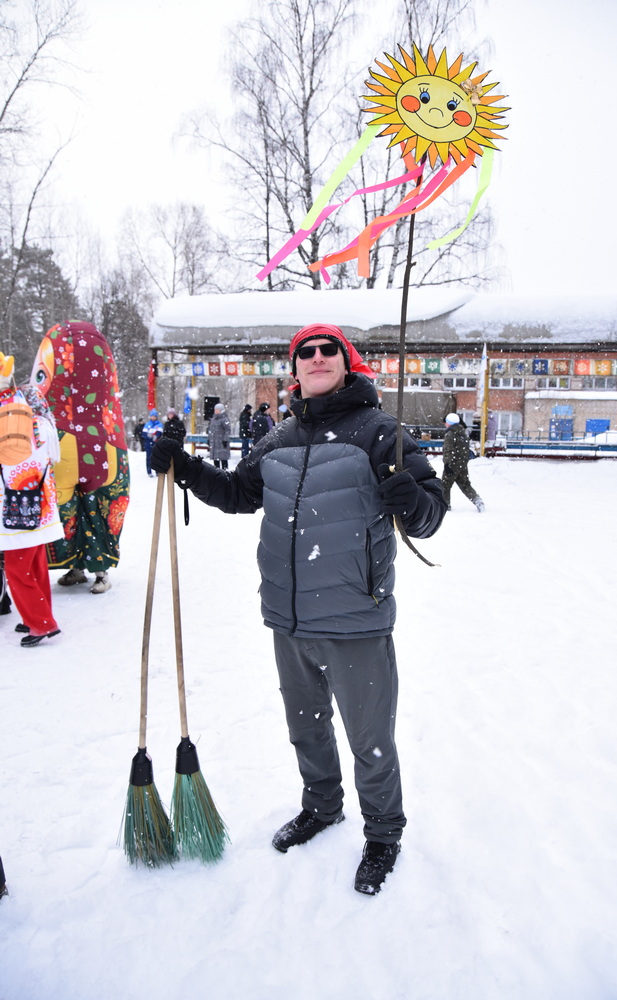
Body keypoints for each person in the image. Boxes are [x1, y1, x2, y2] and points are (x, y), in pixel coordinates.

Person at [150, 323, 446, 895]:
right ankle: (322, 806)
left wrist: (413, 500)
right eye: (304, 352)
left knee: (370, 740)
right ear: (295, 369)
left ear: (346, 361)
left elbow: (430, 513)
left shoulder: (380, 432)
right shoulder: (279, 437)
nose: (316, 357)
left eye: (327, 349)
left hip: (355, 618)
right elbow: (238, 493)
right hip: (287, 618)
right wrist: (183, 467)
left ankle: (383, 835)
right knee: (306, 728)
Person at [30, 322, 131, 595]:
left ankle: (91, 568)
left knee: (70, 510)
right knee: (95, 510)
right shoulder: (100, 350)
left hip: (66, 443)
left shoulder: (55, 342)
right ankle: (88, 568)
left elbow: (39, 391)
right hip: (105, 443)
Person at [0, 352, 63, 646]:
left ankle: (41, 623)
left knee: (17, 568)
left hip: (13, 504)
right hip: (40, 500)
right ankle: (36, 616)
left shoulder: (5, 413)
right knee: (35, 564)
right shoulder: (29, 409)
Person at [441, 412, 484, 512]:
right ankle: (477, 500)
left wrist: (447, 464)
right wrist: (463, 463)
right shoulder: (463, 432)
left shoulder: (450, 434)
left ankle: (445, 505)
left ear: (449, 422)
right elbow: (465, 450)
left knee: (445, 485)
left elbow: (448, 450)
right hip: (462, 463)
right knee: (465, 484)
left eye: (446, 422)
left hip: (452, 464)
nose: (445, 424)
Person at [207, 402, 231, 469]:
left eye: (217, 409)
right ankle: (217, 471)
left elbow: (227, 430)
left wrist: (225, 440)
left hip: (222, 443)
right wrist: (209, 439)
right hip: (214, 443)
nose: (215, 411)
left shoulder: (224, 419)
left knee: (223, 459)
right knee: (216, 460)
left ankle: (225, 472)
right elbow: (210, 431)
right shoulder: (213, 419)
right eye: (215, 409)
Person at [142, 409, 163, 477]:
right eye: (152, 416)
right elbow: (144, 433)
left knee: (157, 457)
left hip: (156, 443)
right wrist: (148, 436)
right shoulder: (147, 424)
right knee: (149, 457)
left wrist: (156, 436)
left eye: (154, 416)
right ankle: (149, 471)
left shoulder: (159, 424)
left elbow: (159, 432)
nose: (153, 417)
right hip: (148, 443)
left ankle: (157, 471)